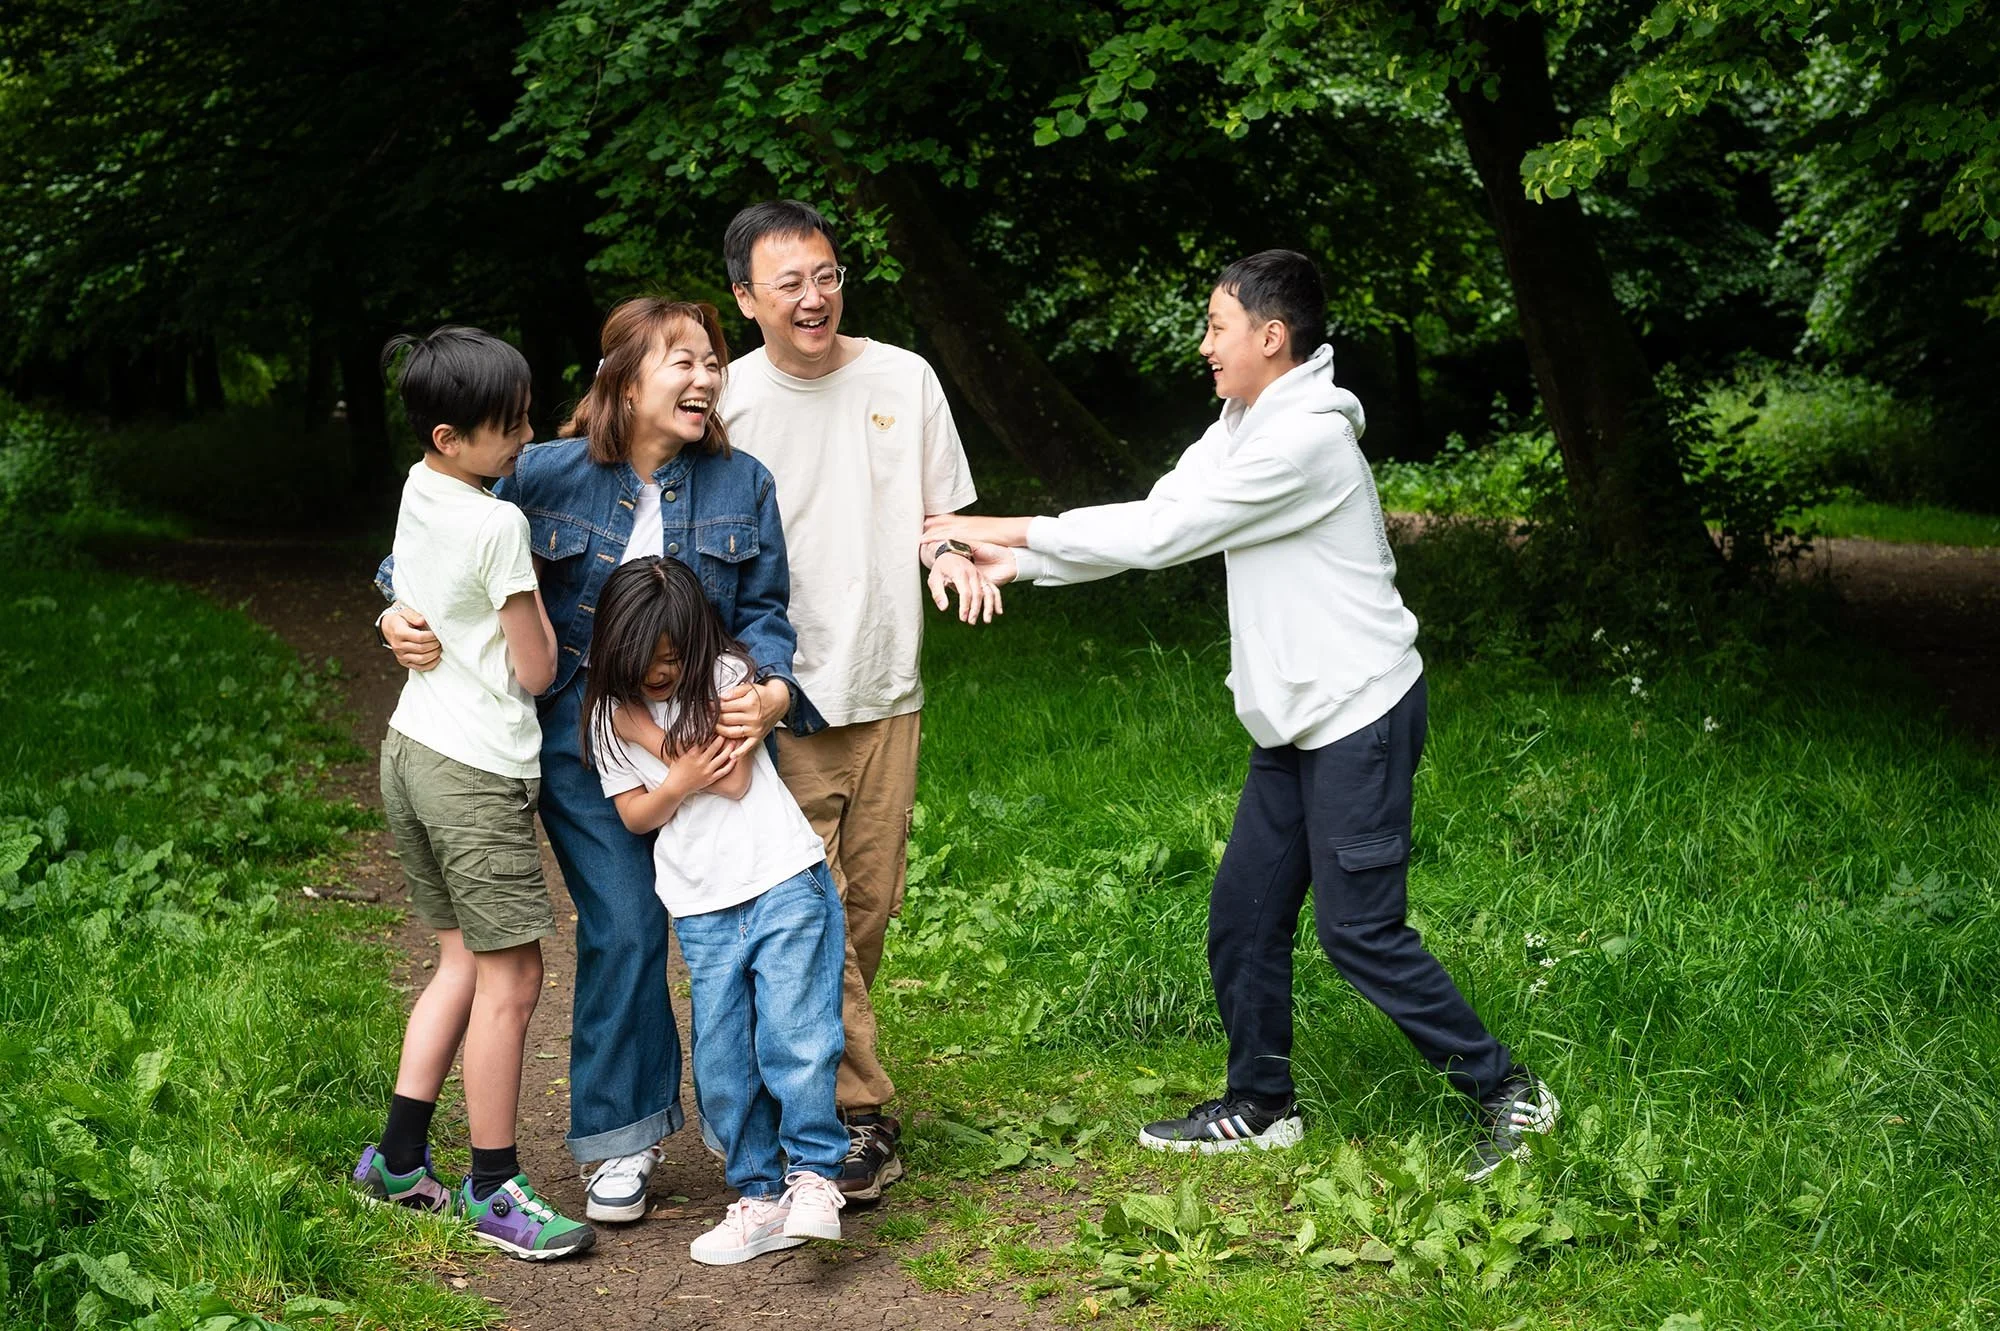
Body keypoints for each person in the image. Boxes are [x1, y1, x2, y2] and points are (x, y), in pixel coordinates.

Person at [927, 251, 1559, 1182]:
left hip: (1358, 713)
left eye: (1217, 327)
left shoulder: (1306, 442)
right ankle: (1262, 1105)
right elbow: (1158, 512)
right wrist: (1022, 564)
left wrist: (990, 530)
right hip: (1293, 721)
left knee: (1360, 932)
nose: (1204, 344)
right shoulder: (1240, 423)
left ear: (1272, 336)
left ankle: (1511, 1092)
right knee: (1243, 915)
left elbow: (1161, 537)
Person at [377, 299, 826, 1224]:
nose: (705, 377)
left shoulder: (745, 483)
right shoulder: (535, 472)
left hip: (705, 735)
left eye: (712, 361)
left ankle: (765, 1129)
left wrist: (773, 691)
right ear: (622, 380)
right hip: (574, 741)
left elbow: (768, 613)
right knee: (625, 925)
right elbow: (424, 543)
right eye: (682, 361)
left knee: (740, 928)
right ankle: (622, 1140)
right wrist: (394, 610)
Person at [715, 199, 996, 1200]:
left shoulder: (902, 377)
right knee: (815, 914)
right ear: (745, 298)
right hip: (779, 697)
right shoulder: (728, 400)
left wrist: (952, 557)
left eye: (826, 274)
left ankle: (790, 1077)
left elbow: (940, 514)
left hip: (887, 684)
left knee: (866, 910)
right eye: (787, 281)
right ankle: (857, 1113)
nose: (813, 295)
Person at [351, 326, 594, 1258]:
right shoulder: (499, 523)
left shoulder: (420, 486)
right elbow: (534, 669)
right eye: (508, 427)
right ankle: (494, 1185)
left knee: (459, 961)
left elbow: (415, 592)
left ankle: (399, 1160)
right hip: (475, 769)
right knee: (515, 974)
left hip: (410, 749)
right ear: (452, 436)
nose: (525, 437)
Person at [585, 556, 848, 1265]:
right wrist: (668, 775)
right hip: (702, 906)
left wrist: (652, 740)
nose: (661, 674)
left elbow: (729, 778)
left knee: (795, 1036)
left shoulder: (728, 678)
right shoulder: (608, 721)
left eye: (672, 657)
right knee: (724, 1059)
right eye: (647, 662)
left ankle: (816, 1176)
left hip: (781, 879)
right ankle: (759, 1196)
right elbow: (637, 814)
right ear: (617, 650)